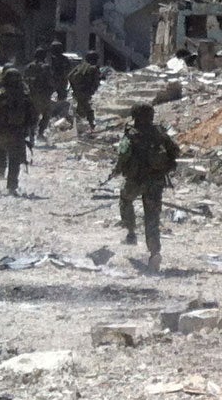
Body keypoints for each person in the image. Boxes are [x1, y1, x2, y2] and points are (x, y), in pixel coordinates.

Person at [115, 102, 180, 269]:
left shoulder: (131, 134)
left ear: (134, 116)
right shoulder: (160, 133)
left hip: (135, 181)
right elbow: (175, 151)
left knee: (125, 200)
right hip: (156, 181)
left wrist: (118, 169)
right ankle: (154, 252)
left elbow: (123, 154)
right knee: (152, 217)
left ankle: (131, 232)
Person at [0, 67, 37, 195]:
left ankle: (1, 168)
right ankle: (11, 186)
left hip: (1, 130)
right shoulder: (25, 96)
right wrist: (30, 129)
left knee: (0, 149)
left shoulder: (0, 94)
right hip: (18, 132)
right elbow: (33, 115)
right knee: (14, 159)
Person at [25, 49, 58, 141]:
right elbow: (50, 81)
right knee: (46, 114)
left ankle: (31, 132)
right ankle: (40, 133)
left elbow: (25, 80)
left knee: (34, 115)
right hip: (44, 95)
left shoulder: (29, 67)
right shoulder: (46, 67)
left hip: (32, 95)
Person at [67, 56, 101, 135]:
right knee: (87, 108)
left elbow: (69, 76)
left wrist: (74, 88)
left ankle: (76, 125)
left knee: (81, 108)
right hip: (85, 92)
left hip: (77, 91)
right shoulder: (93, 68)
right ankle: (92, 126)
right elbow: (96, 82)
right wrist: (91, 90)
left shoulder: (80, 66)